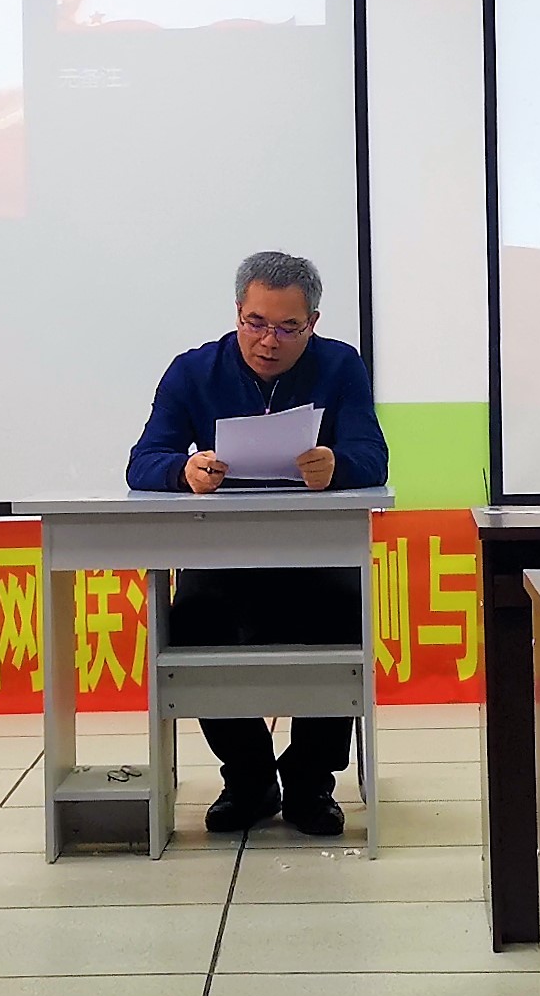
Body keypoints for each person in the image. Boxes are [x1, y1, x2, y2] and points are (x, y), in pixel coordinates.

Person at [125, 251, 391, 837]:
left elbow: (373, 456)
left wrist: (337, 465)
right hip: (220, 559)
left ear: (312, 323)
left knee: (342, 617)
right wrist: (183, 472)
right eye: (256, 323)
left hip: (314, 557)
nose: (269, 341)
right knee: (191, 625)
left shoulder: (340, 366)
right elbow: (142, 462)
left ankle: (310, 782)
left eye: (288, 328)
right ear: (237, 313)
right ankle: (248, 779)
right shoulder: (193, 371)